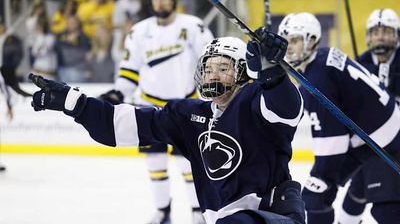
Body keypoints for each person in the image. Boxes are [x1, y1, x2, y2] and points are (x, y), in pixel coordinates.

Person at [29, 29, 306, 224]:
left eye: (224, 68)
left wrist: (273, 74)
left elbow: (286, 111)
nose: (213, 75)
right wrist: (75, 103)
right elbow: (123, 124)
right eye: (208, 68)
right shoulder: (189, 115)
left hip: (272, 213)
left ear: (243, 71)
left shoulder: (255, 99)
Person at [277, 12, 400, 224]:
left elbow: (332, 142)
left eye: (295, 40)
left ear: (312, 40)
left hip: (383, 142)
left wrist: (322, 176)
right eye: (285, 41)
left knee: (385, 209)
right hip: (373, 135)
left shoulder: (316, 78)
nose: (288, 47)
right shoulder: (325, 56)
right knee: (324, 197)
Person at [100, 0, 214, 223]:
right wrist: (118, 93)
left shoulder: (194, 26)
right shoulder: (138, 31)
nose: (160, 3)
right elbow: (129, 71)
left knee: (188, 162)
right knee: (155, 161)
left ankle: (196, 211)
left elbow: (210, 62)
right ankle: (163, 211)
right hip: (149, 106)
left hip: (186, 107)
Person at [337, 9, 400, 224]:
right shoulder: (358, 66)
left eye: (386, 32)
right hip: (372, 147)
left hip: (395, 146)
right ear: (367, 37)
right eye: (375, 32)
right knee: (356, 195)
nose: (380, 37)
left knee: (387, 208)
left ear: (397, 35)